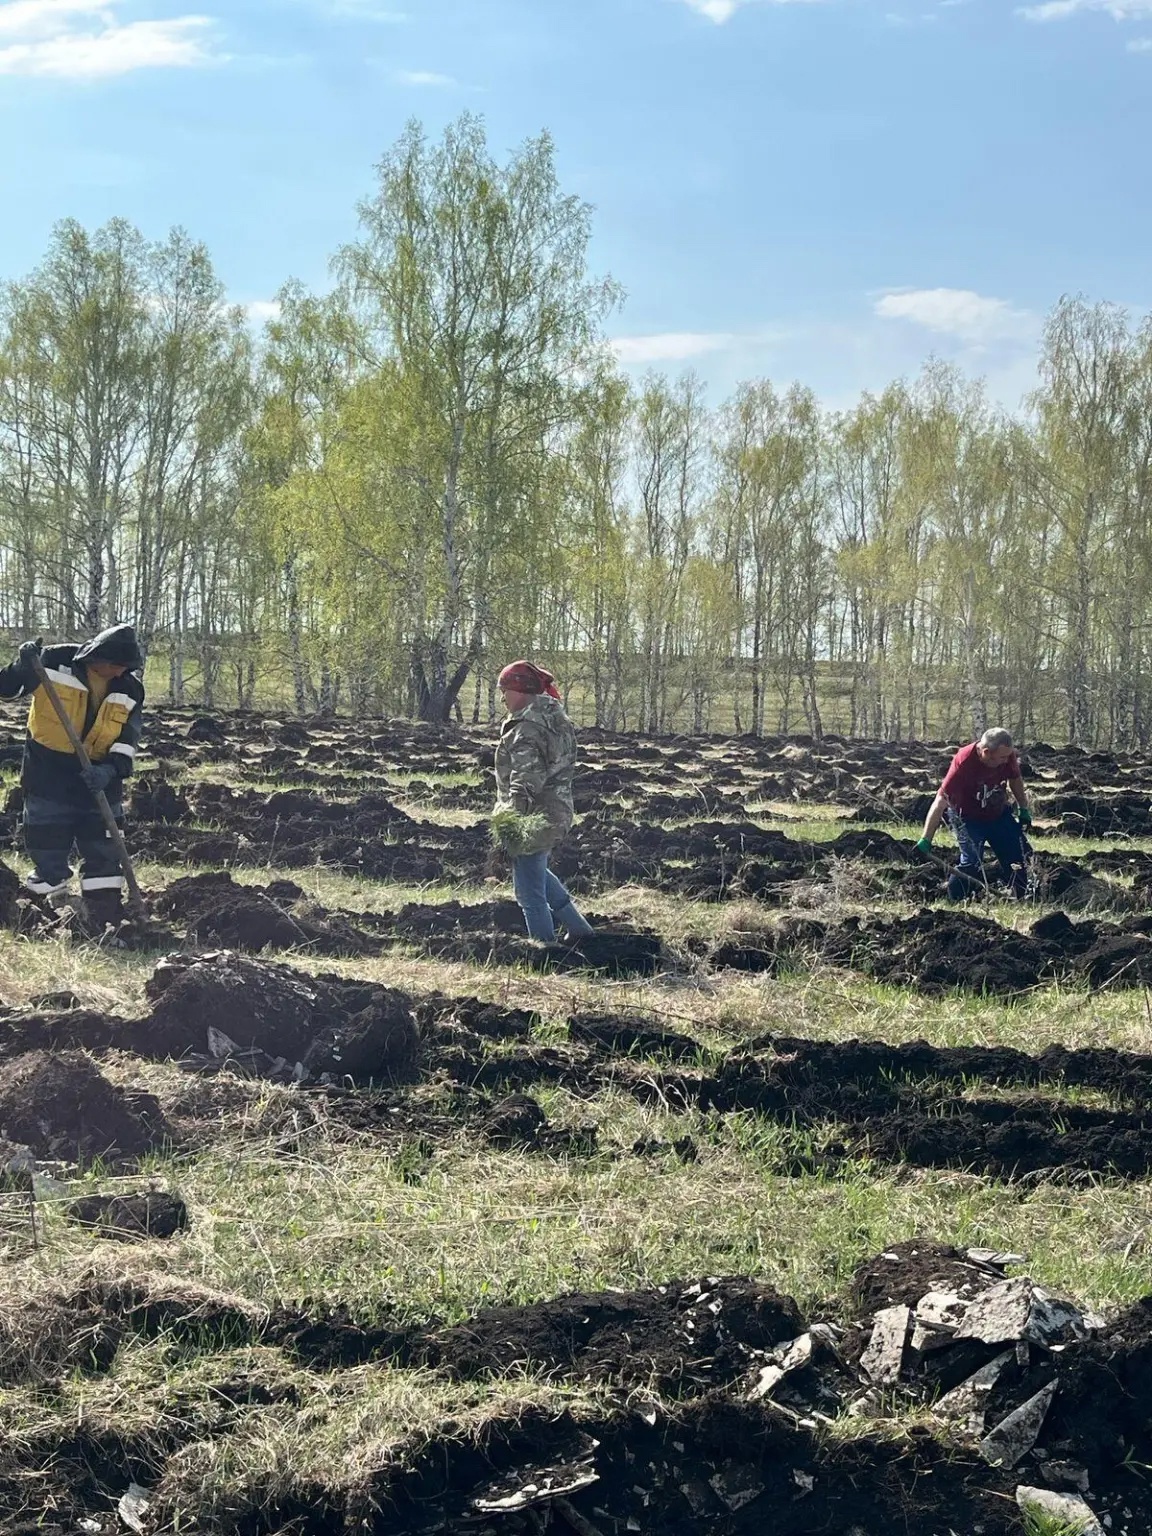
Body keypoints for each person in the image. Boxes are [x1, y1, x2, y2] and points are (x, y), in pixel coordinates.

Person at [0, 624, 145, 927]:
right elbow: (6, 689)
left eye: (127, 668)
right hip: (48, 775)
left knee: (105, 851)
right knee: (47, 844)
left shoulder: (130, 688)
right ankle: (46, 911)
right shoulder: (52, 661)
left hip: (100, 780)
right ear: (100, 656)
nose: (121, 673)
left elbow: (127, 739)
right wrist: (22, 664)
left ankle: (103, 915)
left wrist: (110, 770)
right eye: (118, 666)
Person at [492, 660, 595, 944]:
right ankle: (580, 930)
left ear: (521, 690)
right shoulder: (553, 715)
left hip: (533, 817)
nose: (502, 697)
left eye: (505, 690)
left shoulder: (527, 727)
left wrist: (511, 822)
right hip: (556, 810)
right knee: (536, 871)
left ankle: (544, 946)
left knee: (528, 891)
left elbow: (526, 779)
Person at [915, 727, 1033, 900]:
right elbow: (941, 800)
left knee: (1019, 854)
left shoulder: (1007, 755)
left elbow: (1014, 778)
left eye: (1009, 756)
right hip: (967, 818)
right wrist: (926, 839)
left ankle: (1021, 896)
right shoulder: (964, 763)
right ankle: (954, 901)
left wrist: (1023, 808)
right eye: (1002, 757)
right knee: (971, 862)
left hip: (998, 814)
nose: (1007, 760)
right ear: (985, 752)